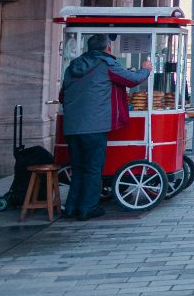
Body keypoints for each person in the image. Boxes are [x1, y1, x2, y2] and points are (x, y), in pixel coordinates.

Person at [61, 34, 151, 220]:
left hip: (71, 126)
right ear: (108, 48)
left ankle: (71, 207)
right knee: (93, 168)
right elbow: (132, 80)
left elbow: (63, 96)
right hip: (94, 126)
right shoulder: (106, 64)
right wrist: (145, 70)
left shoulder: (72, 66)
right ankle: (87, 208)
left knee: (77, 168)